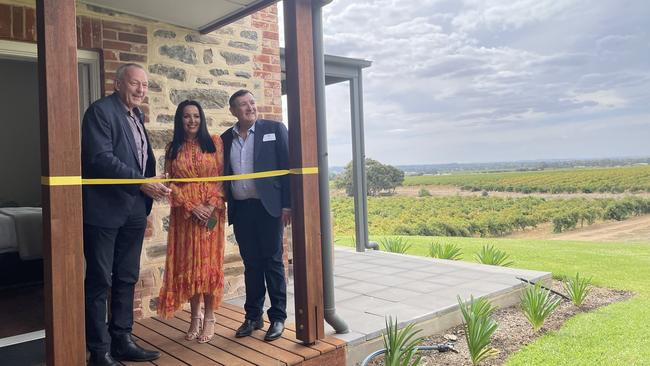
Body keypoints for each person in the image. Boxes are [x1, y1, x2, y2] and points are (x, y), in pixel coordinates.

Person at [81, 63, 170, 366]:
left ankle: (122, 340)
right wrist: (141, 181)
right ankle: (99, 351)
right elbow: (100, 158)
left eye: (145, 85)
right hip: (104, 210)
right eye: (135, 84)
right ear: (118, 83)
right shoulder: (100, 111)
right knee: (98, 280)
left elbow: (139, 158)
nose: (141, 90)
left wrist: (152, 184)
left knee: (127, 276)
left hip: (133, 206)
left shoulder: (137, 115)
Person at [221, 89, 291, 342]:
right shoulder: (225, 138)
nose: (250, 107)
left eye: (252, 102)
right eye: (243, 104)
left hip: (269, 208)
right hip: (241, 209)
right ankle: (253, 317)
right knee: (251, 264)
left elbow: (289, 167)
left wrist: (288, 205)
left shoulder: (274, 128)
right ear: (233, 111)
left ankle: (278, 317)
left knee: (272, 262)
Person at [157, 100, 226, 344]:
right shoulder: (172, 148)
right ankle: (194, 316)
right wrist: (191, 206)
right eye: (187, 116)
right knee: (191, 266)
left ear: (202, 118)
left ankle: (209, 317)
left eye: (196, 116)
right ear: (180, 120)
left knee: (208, 266)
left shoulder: (215, 143)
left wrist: (208, 205)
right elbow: (169, 184)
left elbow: (221, 178)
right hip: (185, 215)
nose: (192, 120)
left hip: (211, 213)